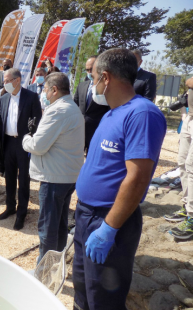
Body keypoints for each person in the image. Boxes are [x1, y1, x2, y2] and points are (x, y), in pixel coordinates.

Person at [72, 49, 166, 310]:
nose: (93, 85)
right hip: (86, 215)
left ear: (105, 77)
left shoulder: (141, 114)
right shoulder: (111, 113)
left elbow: (137, 178)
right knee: (83, 290)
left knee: (103, 299)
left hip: (109, 218)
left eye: (93, 78)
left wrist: (108, 228)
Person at [23, 73, 84, 263]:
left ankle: (44, 270)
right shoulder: (71, 107)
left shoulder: (57, 111)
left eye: (46, 89)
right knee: (59, 224)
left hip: (54, 177)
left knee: (48, 228)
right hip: (66, 175)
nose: (44, 93)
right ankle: (56, 263)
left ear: (54, 90)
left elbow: (38, 146)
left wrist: (26, 138)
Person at [0, 68, 42, 230]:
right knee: (9, 177)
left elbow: (36, 122)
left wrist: (31, 143)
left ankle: (22, 213)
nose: (4, 84)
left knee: (24, 180)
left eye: (7, 81)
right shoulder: (3, 99)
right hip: (8, 143)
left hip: (23, 143)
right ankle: (10, 206)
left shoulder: (31, 97)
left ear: (17, 80)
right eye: (3, 81)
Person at [164, 77, 193, 239]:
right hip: (190, 117)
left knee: (192, 166)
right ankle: (187, 206)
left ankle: (192, 217)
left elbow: (190, 82)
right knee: (182, 163)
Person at [74, 56, 110, 153]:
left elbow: (109, 110)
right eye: (87, 70)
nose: (89, 72)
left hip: (97, 132)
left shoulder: (106, 87)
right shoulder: (81, 86)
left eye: (91, 69)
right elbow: (74, 106)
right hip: (80, 131)